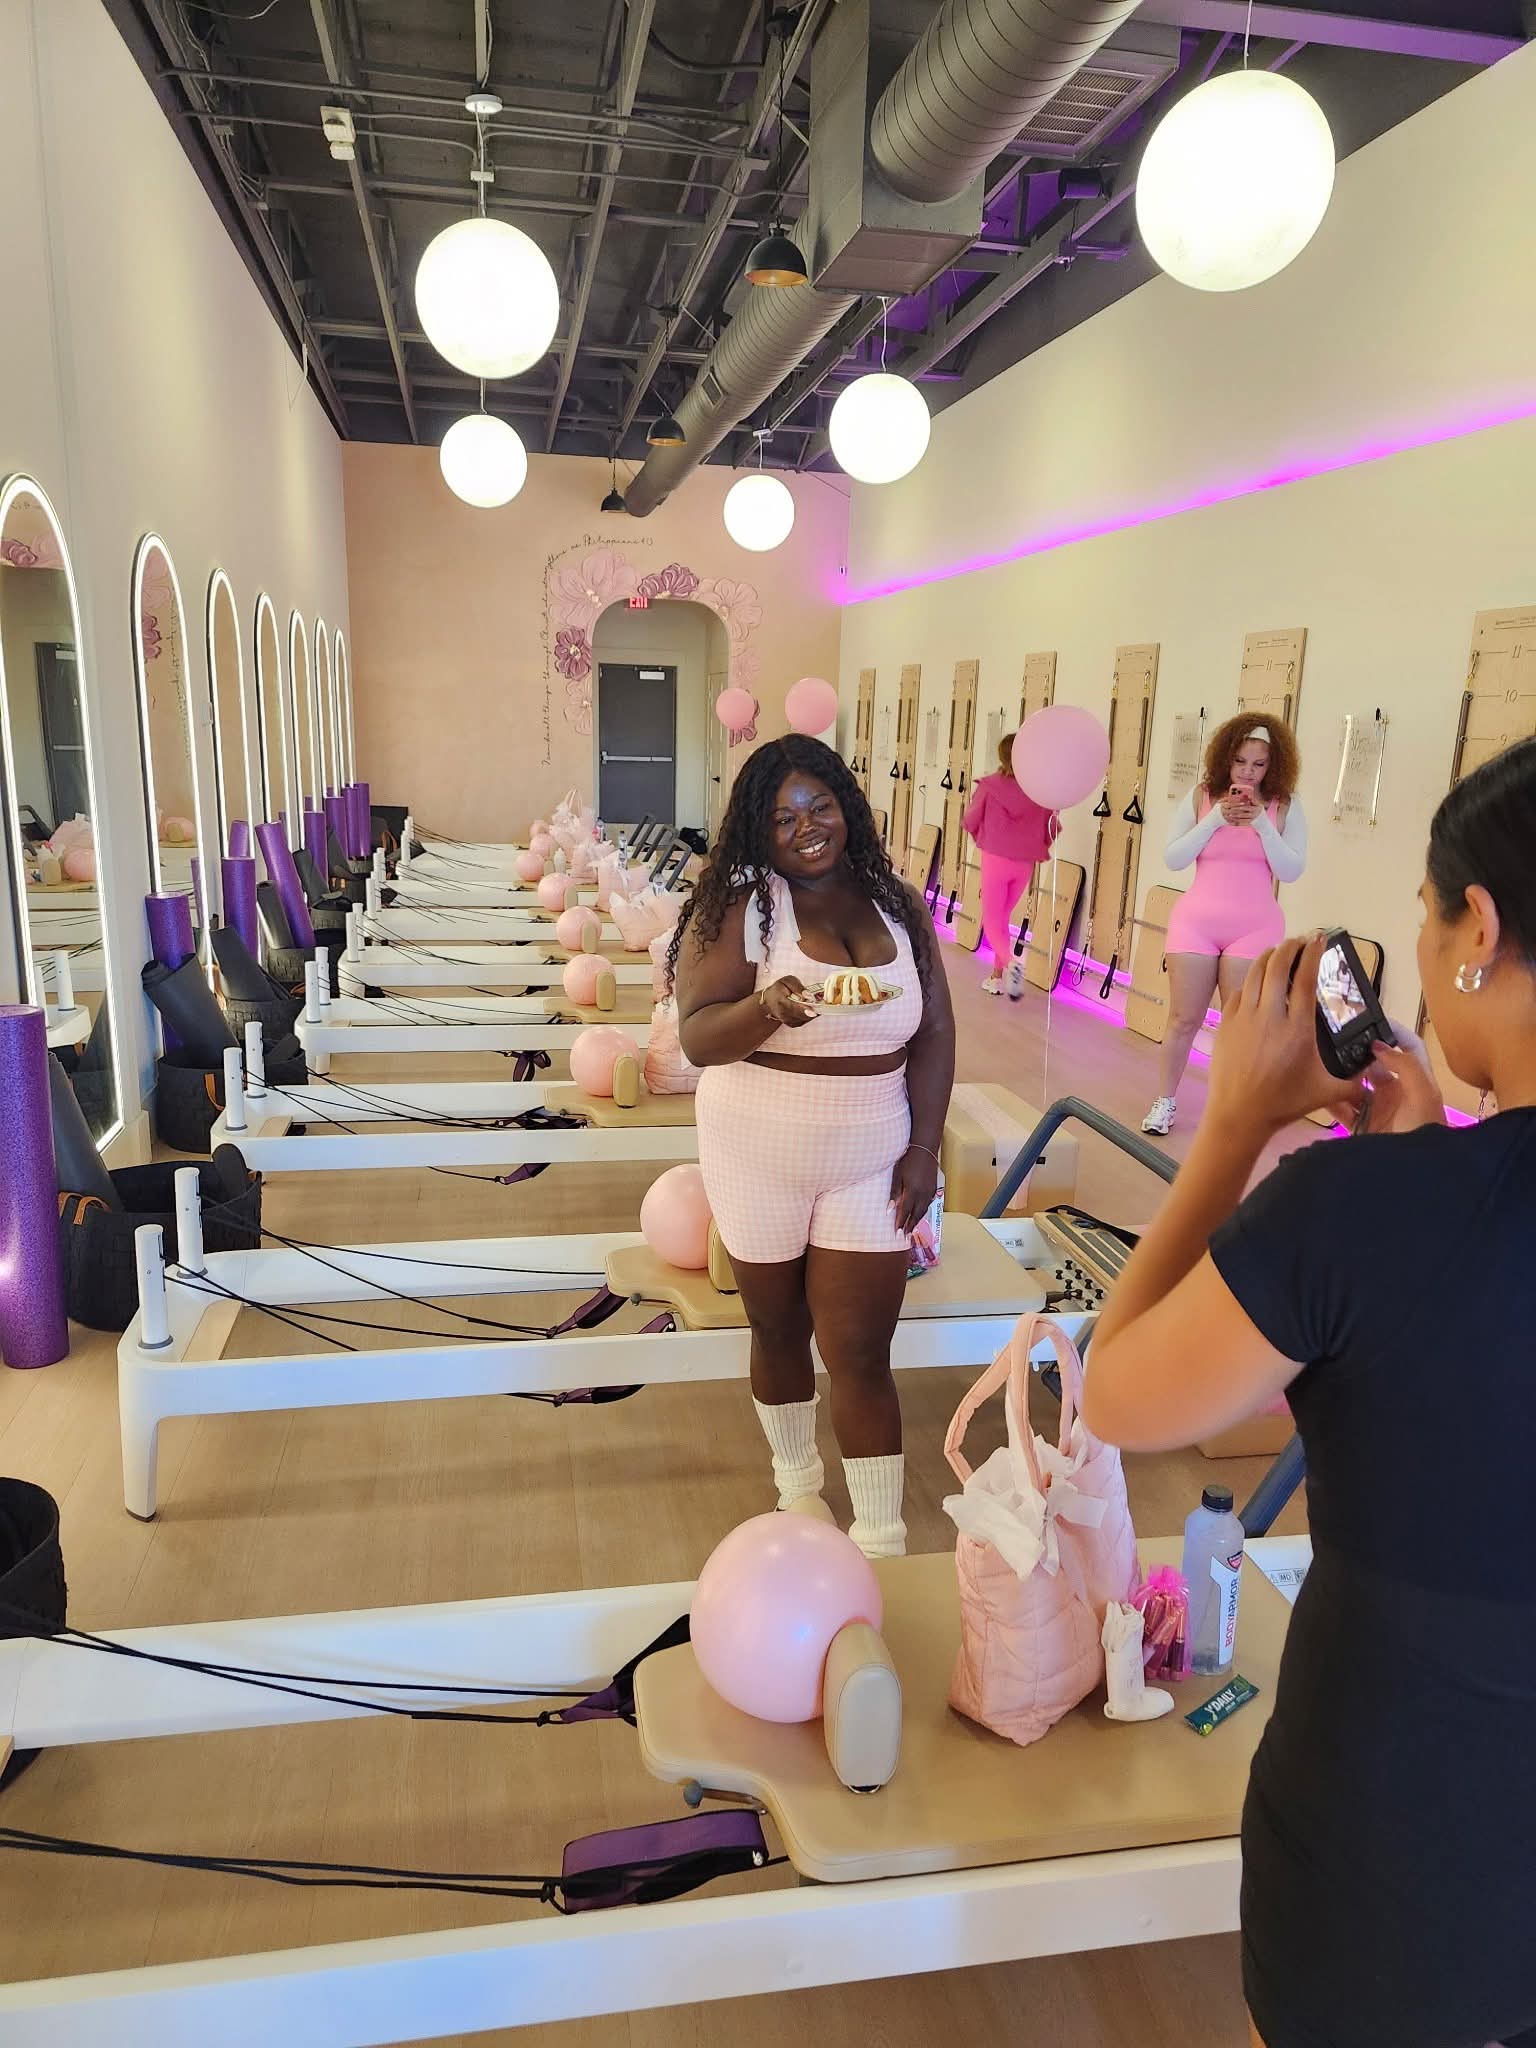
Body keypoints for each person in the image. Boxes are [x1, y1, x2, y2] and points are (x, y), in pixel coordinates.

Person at [1084, 737, 1536, 2048]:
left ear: (1480, 928)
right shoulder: (1386, 1207)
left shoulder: (1356, 1216)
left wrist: (1234, 1130)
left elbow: (1120, 1398)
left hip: (1405, 1845)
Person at [670, 735, 956, 1559]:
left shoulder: (898, 904)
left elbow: (934, 1032)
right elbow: (696, 1038)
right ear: (758, 830)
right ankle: (797, 1485)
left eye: (820, 806)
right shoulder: (738, 905)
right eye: (783, 815)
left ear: (848, 807)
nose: (806, 827)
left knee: (862, 1347)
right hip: (757, 1150)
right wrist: (768, 1008)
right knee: (779, 1325)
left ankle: (882, 1537)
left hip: (874, 1152)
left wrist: (925, 1150)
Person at [1142, 716, 1307, 1137]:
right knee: (1182, 1018)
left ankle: (1231, 1107)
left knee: (1239, 1025)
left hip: (1255, 926)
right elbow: (1174, 857)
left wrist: (1261, 824)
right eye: (1240, 762)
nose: (1247, 773)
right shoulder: (1201, 797)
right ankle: (1164, 1102)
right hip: (1197, 922)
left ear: (1274, 767)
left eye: (1258, 764)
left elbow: (1291, 870)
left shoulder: (1284, 805)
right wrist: (1215, 819)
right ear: (1225, 761)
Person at [961, 733, 1059, 998]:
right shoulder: (1039, 792)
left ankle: (1011, 962)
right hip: (1025, 864)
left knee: (992, 920)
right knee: (1003, 917)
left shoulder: (990, 786)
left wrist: (981, 835)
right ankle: (996, 978)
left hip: (995, 858)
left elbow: (970, 819)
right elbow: (1052, 830)